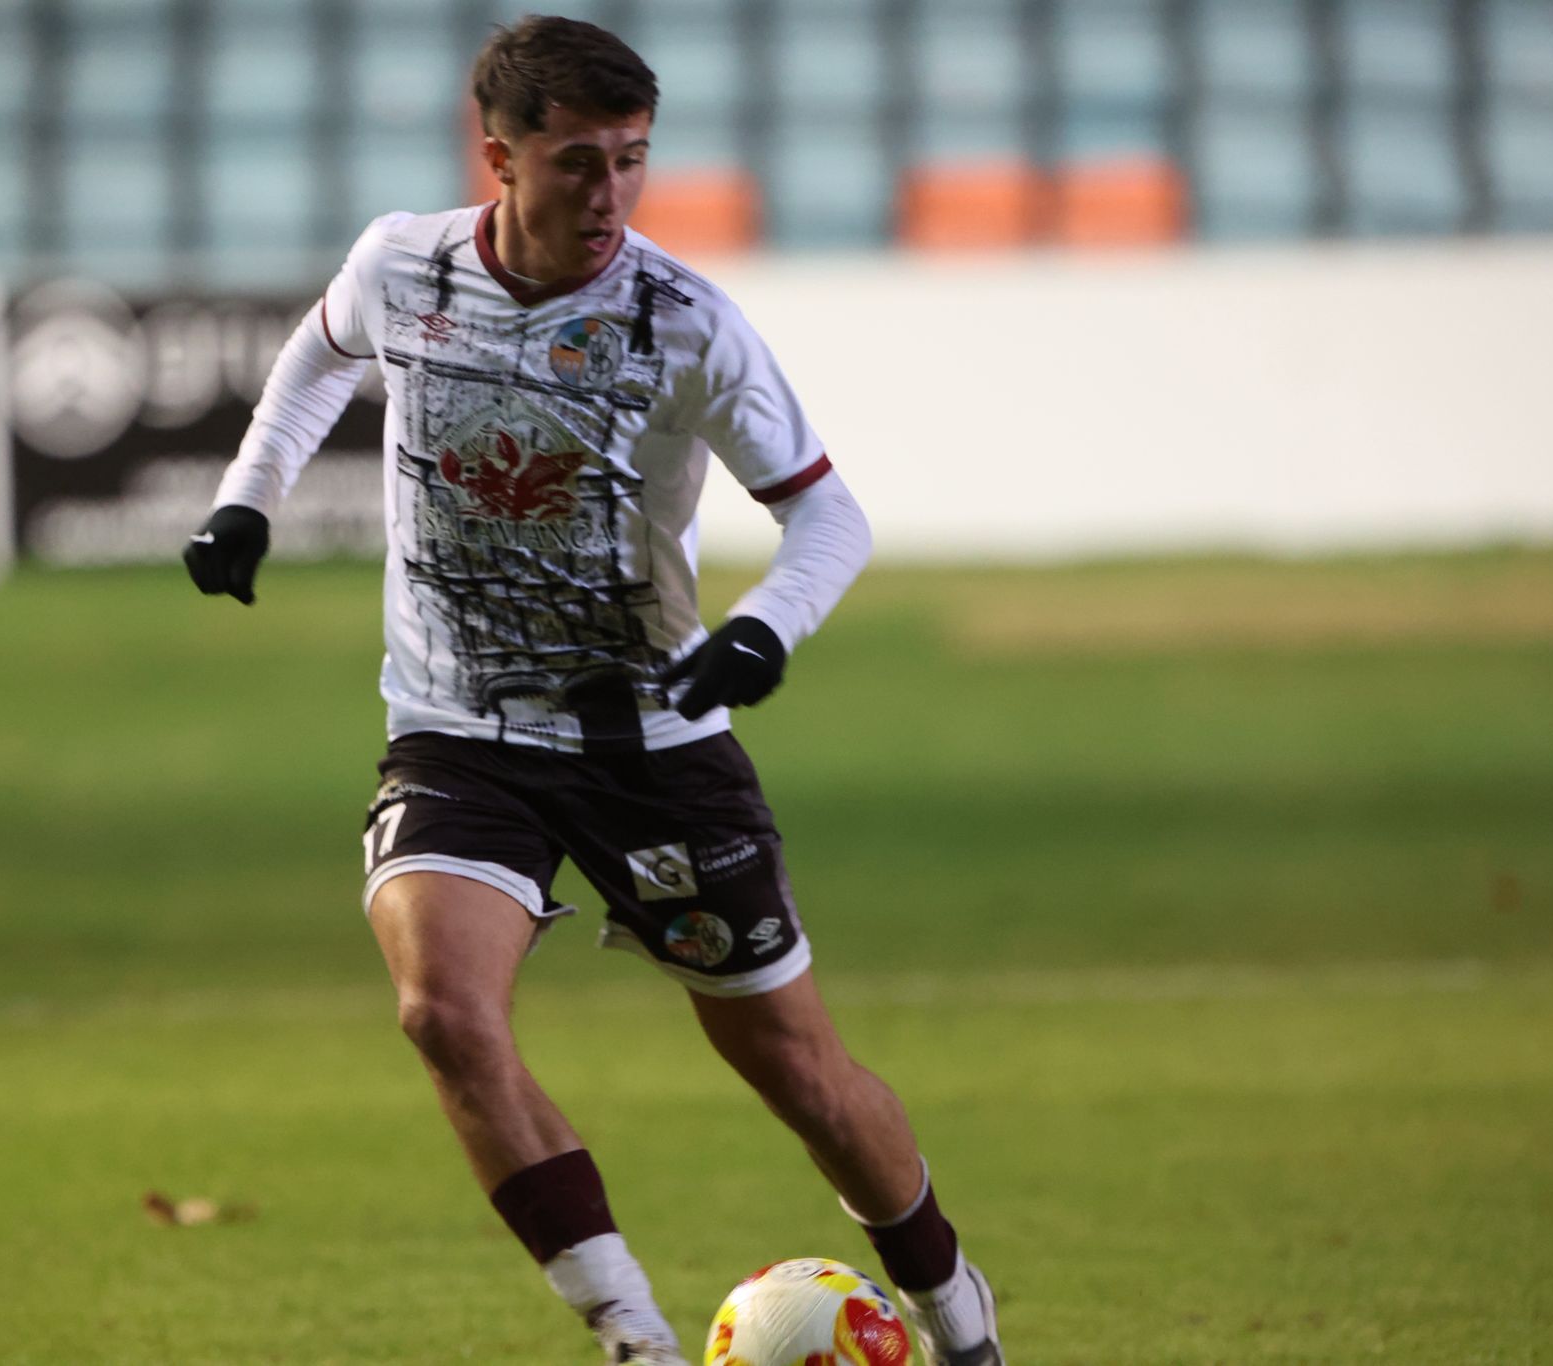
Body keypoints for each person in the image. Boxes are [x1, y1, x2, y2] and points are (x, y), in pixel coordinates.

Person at [186, 18, 1002, 1364]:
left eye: (633, 159)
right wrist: (243, 502)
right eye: (579, 162)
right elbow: (316, 357)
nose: (612, 193)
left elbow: (829, 517)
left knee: (802, 1075)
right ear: (497, 155)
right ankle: (636, 1335)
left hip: (651, 743)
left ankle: (961, 1319)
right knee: (442, 1011)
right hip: (457, 727)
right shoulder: (402, 265)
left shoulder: (683, 320)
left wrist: (760, 633)